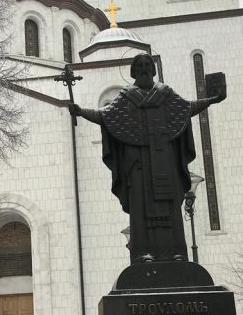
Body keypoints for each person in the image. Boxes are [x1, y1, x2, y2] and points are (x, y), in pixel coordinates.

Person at [70, 53, 226, 263]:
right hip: (138, 164)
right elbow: (106, 116)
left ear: (153, 70)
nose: (144, 69)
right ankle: (143, 254)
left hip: (164, 160)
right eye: (139, 66)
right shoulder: (126, 98)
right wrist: (81, 112)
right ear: (133, 72)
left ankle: (177, 254)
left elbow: (187, 109)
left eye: (147, 65)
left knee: (171, 207)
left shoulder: (166, 95)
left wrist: (212, 100)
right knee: (140, 207)